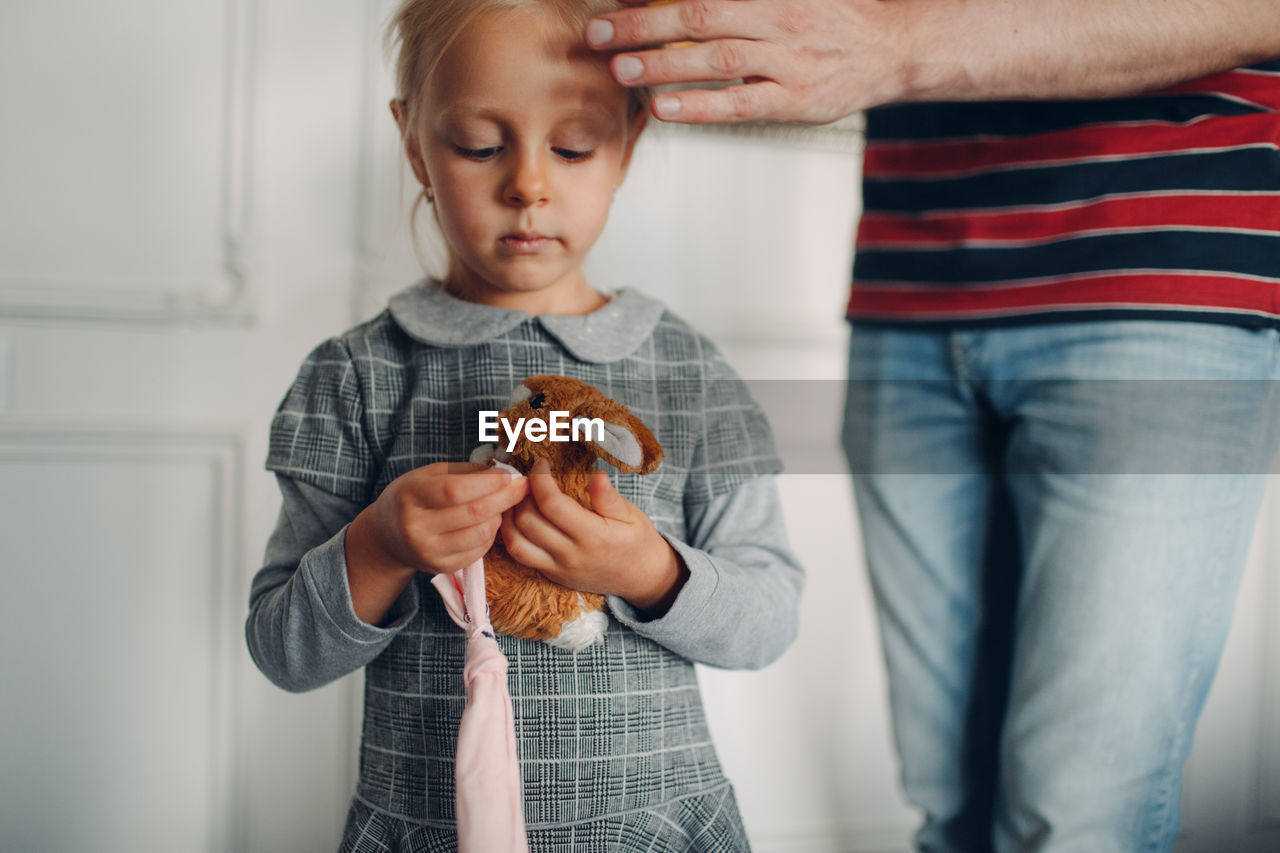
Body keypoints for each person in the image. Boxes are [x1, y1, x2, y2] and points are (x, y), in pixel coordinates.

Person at [582, 1, 1280, 851]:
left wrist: (900, 45)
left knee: (1081, 816)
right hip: (910, 282)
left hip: (1161, 276)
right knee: (948, 806)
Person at [244, 0, 804, 850]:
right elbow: (285, 650)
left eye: (573, 147)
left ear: (629, 142)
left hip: (652, 825)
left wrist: (649, 570)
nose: (529, 185)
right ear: (414, 145)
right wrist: (380, 546)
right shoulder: (356, 375)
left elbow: (770, 616)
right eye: (479, 145)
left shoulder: (690, 372)